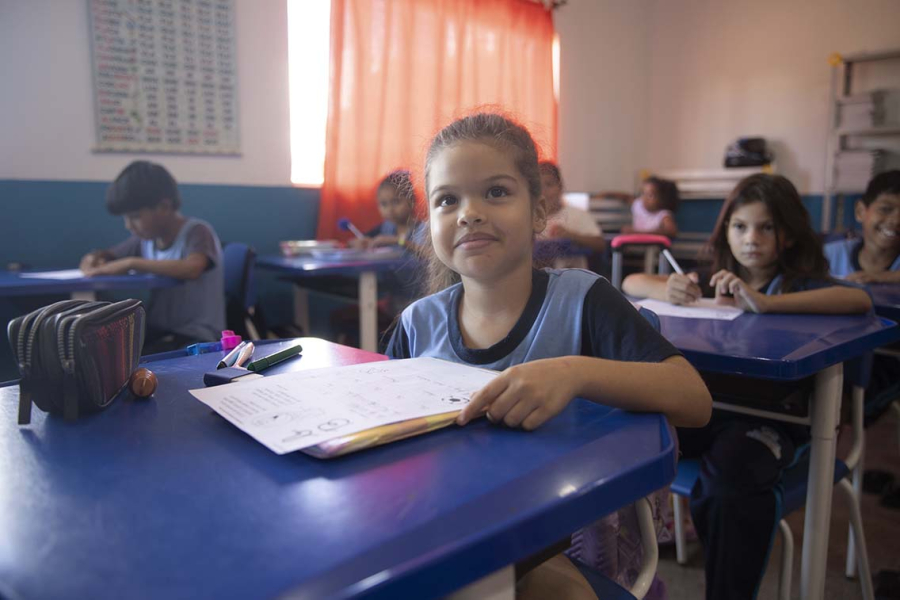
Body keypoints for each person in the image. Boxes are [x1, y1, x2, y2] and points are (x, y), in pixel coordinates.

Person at [386, 112, 712, 598]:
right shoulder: (418, 324)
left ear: (539, 212)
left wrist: (575, 374)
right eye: (447, 200)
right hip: (451, 529)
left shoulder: (583, 301)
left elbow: (694, 399)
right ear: (428, 223)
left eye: (496, 192)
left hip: (570, 538)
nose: (468, 212)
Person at [624, 174, 872, 599]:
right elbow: (631, 284)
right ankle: (625, 570)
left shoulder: (803, 285)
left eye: (766, 227)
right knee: (622, 434)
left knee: (728, 487)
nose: (751, 239)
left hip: (772, 421)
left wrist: (769, 303)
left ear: (789, 235)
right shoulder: (715, 278)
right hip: (710, 410)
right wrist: (670, 286)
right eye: (740, 227)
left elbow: (858, 301)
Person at [79, 161, 225, 353]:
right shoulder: (145, 239)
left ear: (164, 206)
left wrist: (131, 262)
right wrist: (94, 258)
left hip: (197, 337)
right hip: (160, 332)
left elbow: (193, 268)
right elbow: (110, 255)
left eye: (135, 217)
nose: (129, 226)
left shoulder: (198, 232)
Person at [824, 170, 900, 283]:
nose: (896, 221)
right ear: (860, 211)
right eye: (885, 209)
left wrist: (884, 277)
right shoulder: (828, 256)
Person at [537, 161, 605, 269]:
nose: (544, 192)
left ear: (560, 187)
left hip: (571, 282)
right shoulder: (527, 220)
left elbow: (600, 244)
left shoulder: (577, 215)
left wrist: (572, 236)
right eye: (538, 186)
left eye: (549, 184)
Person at [350, 170, 425, 251]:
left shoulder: (423, 229)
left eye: (396, 202)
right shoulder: (385, 227)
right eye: (384, 204)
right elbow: (353, 242)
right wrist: (360, 243)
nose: (390, 209)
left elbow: (429, 255)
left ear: (411, 200)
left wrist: (399, 241)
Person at [612, 176, 679, 238]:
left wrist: (638, 232)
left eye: (650, 195)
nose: (644, 198)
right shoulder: (638, 205)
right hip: (634, 245)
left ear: (662, 199)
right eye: (643, 193)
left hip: (654, 248)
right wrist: (606, 194)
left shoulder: (663, 215)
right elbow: (626, 197)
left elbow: (671, 231)